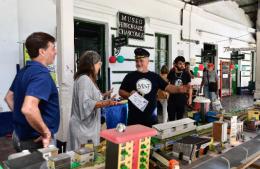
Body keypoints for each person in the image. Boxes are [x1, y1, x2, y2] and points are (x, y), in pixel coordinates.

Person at [4, 32, 59, 152]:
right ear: (42, 52)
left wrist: (23, 118)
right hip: (36, 141)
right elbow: (28, 109)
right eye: (53, 48)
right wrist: (45, 132)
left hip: (19, 136)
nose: (55, 52)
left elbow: (9, 97)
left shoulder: (23, 71)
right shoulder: (41, 74)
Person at [119, 48, 190, 127]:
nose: (138, 63)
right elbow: (121, 91)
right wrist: (129, 95)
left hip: (151, 120)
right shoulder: (129, 76)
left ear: (148, 61)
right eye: (137, 61)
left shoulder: (154, 76)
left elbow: (167, 87)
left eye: (141, 61)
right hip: (133, 120)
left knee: (151, 139)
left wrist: (179, 89)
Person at [67, 51, 118, 151]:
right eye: (99, 64)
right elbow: (85, 104)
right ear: (91, 65)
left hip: (86, 128)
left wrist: (104, 95)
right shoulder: (84, 79)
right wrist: (106, 102)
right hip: (83, 129)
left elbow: (91, 98)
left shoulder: (87, 79)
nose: (99, 67)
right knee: (84, 160)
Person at [167, 56, 192, 121]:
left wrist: (190, 98)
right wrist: (166, 93)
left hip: (182, 100)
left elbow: (189, 87)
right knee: (171, 119)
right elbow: (167, 85)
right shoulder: (171, 73)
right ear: (175, 64)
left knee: (180, 120)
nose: (182, 65)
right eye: (180, 64)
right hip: (171, 100)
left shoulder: (186, 74)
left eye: (183, 64)